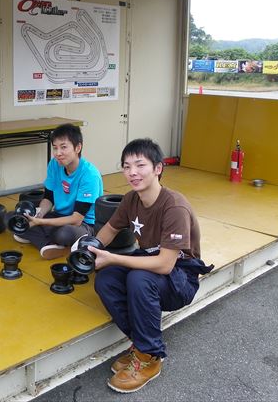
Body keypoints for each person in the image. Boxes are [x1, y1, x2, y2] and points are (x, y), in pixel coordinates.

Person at [87, 138, 213, 393]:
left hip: (181, 276)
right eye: (126, 166)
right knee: (106, 279)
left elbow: (165, 265)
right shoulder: (131, 200)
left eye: (140, 165)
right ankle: (141, 345)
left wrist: (112, 257)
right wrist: (92, 247)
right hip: (150, 261)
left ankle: (150, 356)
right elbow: (110, 228)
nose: (132, 172)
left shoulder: (174, 206)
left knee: (138, 278)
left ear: (158, 168)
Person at [13, 123, 103, 260]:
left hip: (84, 224)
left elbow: (76, 219)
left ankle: (45, 239)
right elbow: (48, 198)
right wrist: (39, 214)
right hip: (59, 215)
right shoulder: (54, 164)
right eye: (55, 148)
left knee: (63, 234)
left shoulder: (89, 174)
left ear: (78, 148)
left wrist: (40, 223)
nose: (58, 153)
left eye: (63, 147)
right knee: (13, 219)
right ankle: (51, 245)